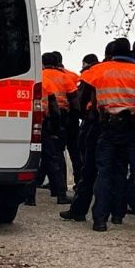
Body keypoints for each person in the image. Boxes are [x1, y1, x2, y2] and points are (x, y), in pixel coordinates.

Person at [78, 38, 135, 232]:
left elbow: (84, 98)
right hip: (133, 127)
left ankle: (100, 220)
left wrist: (93, 118)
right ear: (130, 53)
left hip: (108, 126)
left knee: (104, 173)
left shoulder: (99, 71)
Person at [60, 45, 110, 222]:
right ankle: (118, 214)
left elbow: (80, 101)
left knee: (89, 170)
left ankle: (81, 211)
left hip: (95, 124)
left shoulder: (93, 73)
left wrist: (84, 117)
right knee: (116, 171)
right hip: (130, 126)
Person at [30, 52, 75, 205]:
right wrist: (57, 128)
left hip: (29, 125)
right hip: (47, 125)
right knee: (53, 159)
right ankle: (61, 194)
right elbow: (55, 109)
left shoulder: (34, 78)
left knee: (31, 160)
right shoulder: (53, 81)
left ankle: (29, 197)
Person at [54, 51, 83, 187]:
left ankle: (60, 183)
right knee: (74, 150)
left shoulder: (43, 76)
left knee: (57, 150)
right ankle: (79, 180)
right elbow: (77, 98)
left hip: (54, 117)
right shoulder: (72, 76)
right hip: (70, 116)